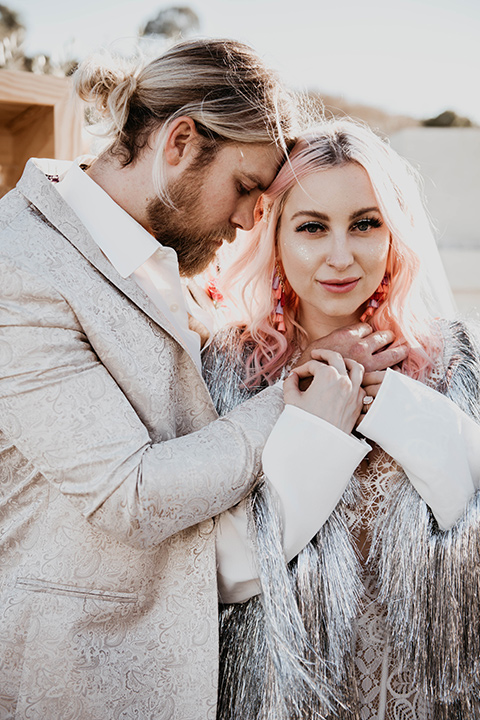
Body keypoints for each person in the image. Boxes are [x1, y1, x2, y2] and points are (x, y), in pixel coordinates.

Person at [0, 40, 404, 718]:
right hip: (77, 680)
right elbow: (128, 494)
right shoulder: (21, 264)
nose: (253, 218)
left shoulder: (161, 261)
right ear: (180, 142)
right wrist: (305, 389)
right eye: (247, 187)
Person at [202, 119, 480, 719]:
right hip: (279, 698)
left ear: (393, 235)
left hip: (427, 698)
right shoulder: (224, 369)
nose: (340, 256)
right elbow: (217, 574)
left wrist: (409, 414)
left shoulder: (453, 361)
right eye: (311, 227)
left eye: (364, 224)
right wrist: (315, 434)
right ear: (274, 236)